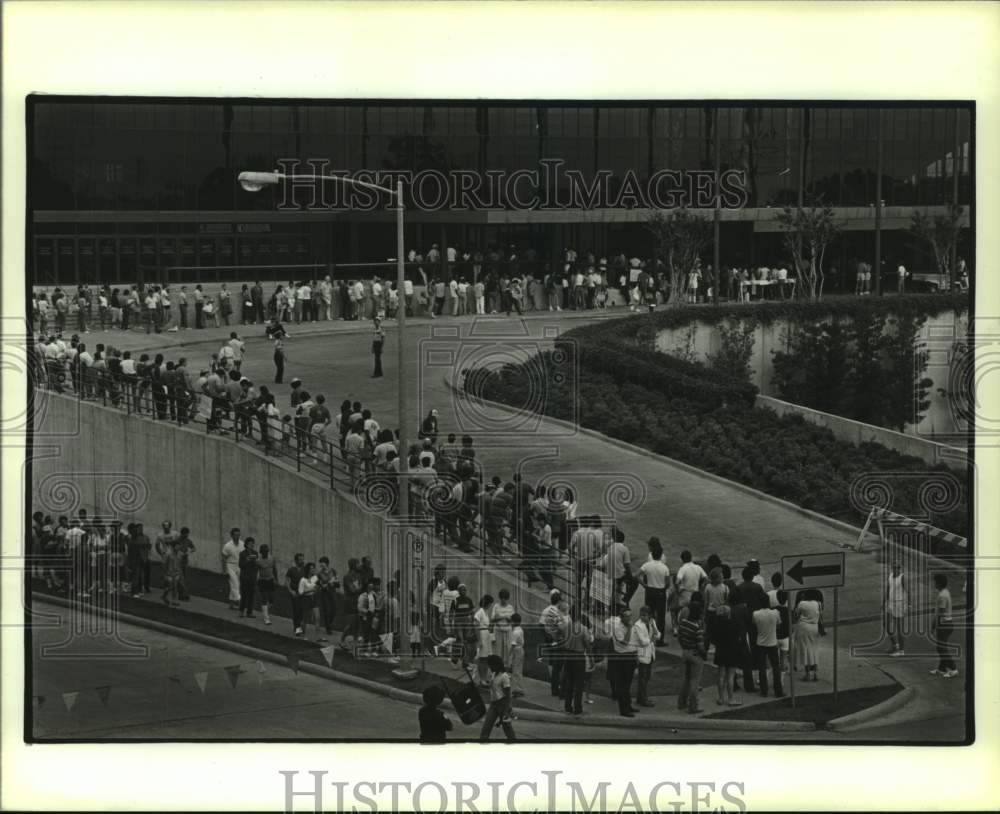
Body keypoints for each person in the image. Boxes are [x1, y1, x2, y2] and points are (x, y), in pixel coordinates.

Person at [560, 605, 591, 716]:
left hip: (568, 655)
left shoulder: (566, 627)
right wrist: (590, 658)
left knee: (569, 681)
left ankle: (568, 706)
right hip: (578, 656)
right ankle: (578, 707)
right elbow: (587, 644)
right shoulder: (583, 629)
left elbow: (562, 640)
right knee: (578, 683)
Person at [677, 597, 707, 714]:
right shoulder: (697, 627)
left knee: (686, 679)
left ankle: (681, 702)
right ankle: (693, 706)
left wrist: (685, 647)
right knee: (695, 681)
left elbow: (679, 637)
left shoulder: (683, 623)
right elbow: (700, 645)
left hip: (685, 652)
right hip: (695, 654)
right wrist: (703, 654)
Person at [610, 605, 640, 717]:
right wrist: (630, 629)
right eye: (627, 616)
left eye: (630, 615)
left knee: (628, 683)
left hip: (631, 657)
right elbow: (625, 642)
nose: (629, 618)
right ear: (621, 617)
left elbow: (634, 642)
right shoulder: (618, 628)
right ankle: (624, 709)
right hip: (622, 658)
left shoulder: (631, 626)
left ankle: (628, 705)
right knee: (622, 685)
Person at [479, 654, 516, 742]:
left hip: (502, 705)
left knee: (508, 729)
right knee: (486, 728)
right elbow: (493, 686)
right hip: (493, 704)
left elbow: (508, 694)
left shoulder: (504, 676)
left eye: (491, 665)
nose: (489, 667)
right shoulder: (494, 674)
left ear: (496, 665)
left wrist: (507, 710)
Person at [639, 540, 670, 646]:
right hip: (660, 592)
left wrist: (644, 584)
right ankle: (660, 640)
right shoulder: (664, 567)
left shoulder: (647, 565)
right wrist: (663, 588)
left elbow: (636, 575)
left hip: (650, 591)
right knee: (661, 617)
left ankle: (647, 636)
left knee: (649, 614)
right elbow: (668, 584)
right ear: (661, 555)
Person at [752, 596, 784, 697]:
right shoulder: (775, 613)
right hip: (772, 642)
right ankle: (778, 690)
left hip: (760, 643)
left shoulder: (756, 614)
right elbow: (779, 625)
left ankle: (764, 690)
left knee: (762, 668)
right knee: (776, 667)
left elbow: (754, 624)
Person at [713, 604, 744, 706]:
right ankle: (731, 699)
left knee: (720, 675)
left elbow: (714, 638)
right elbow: (739, 637)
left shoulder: (717, 624)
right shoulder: (734, 624)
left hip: (720, 650)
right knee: (730, 676)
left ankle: (720, 698)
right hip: (732, 651)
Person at [930, 573, 958, 678]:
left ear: (939, 583)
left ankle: (953, 669)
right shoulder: (945, 592)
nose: (934, 583)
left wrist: (933, 626)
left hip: (944, 624)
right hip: (948, 623)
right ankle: (941, 669)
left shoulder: (942, 596)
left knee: (941, 648)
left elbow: (940, 614)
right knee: (941, 647)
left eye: (935, 582)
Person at [793, 589, 823, 681]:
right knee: (814, 649)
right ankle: (815, 674)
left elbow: (795, 615)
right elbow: (821, 615)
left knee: (805, 650)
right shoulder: (818, 603)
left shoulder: (801, 604)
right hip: (815, 627)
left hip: (804, 627)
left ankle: (807, 674)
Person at [539, 590, 565, 697]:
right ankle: (557, 687)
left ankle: (555, 687)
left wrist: (547, 636)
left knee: (553, 663)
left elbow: (541, 625)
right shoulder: (557, 612)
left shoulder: (546, 610)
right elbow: (561, 627)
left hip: (550, 639)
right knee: (558, 665)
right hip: (557, 640)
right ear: (559, 601)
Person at [634, 606, 659, 708]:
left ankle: (640, 697)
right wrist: (652, 639)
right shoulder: (637, 625)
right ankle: (643, 699)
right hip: (642, 654)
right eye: (641, 615)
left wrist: (654, 635)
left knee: (647, 676)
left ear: (649, 615)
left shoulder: (652, 622)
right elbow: (642, 641)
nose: (642, 617)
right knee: (643, 678)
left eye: (644, 615)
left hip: (650, 653)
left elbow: (658, 634)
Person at [884, 559, 908, 656]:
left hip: (899, 605)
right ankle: (895, 645)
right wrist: (884, 602)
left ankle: (901, 650)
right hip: (890, 604)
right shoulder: (890, 576)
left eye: (898, 567)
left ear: (900, 568)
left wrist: (908, 605)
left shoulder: (902, 578)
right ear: (892, 568)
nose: (896, 569)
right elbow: (888, 589)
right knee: (885, 623)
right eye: (895, 567)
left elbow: (908, 592)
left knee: (899, 628)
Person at [220, 528, 243, 611]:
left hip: (239, 566)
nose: (237, 536)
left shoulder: (242, 544)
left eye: (239, 534)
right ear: (232, 535)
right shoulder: (227, 546)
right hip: (230, 566)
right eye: (236, 535)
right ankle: (241, 604)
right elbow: (223, 558)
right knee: (235, 584)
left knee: (237, 585)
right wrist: (225, 570)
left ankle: (231, 604)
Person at [474, 594, 494, 686]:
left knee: (486, 658)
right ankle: (481, 679)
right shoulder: (480, 612)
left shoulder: (486, 612)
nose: (491, 605)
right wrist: (479, 640)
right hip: (482, 635)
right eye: (490, 603)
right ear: (487, 603)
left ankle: (485, 678)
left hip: (486, 635)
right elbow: (476, 626)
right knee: (482, 659)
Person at [238, 537, 260, 618]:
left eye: (253, 544)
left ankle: (249, 612)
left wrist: (256, 562)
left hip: (252, 577)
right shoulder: (242, 553)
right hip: (245, 577)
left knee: (251, 595)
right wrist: (247, 560)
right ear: (246, 545)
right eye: (250, 544)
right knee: (244, 594)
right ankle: (241, 611)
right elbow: (240, 565)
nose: (252, 545)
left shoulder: (255, 553)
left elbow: (257, 565)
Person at [256, 544, 277, 625]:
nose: (265, 553)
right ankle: (266, 618)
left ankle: (266, 611)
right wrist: (256, 580)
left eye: (266, 552)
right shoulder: (258, 560)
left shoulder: (272, 558)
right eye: (263, 552)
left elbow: (275, 569)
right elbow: (256, 571)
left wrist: (276, 579)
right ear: (261, 552)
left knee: (271, 599)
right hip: (262, 581)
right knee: (264, 598)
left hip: (270, 580)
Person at [286, 552, 306, 637]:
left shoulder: (305, 569)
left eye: (302, 559)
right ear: (296, 560)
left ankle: (301, 626)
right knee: (296, 610)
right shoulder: (291, 570)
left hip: (303, 593)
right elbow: (287, 580)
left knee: (302, 611)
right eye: (300, 560)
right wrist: (290, 591)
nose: (302, 561)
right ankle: (297, 628)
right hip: (295, 592)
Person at [298, 562, 320, 641]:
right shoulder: (303, 580)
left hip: (314, 598)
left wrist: (316, 589)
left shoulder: (315, 578)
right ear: (308, 570)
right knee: (305, 619)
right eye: (312, 568)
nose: (313, 569)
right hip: (306, 599)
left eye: (314, 568)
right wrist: (310, 590)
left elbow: (318, 587)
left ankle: (317, 636)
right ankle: (303, 634)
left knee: (317, 617)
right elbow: (300, 592)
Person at [508, 612, 525, 697]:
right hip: (521, 649)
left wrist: (509, 654)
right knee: (519, 670)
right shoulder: (520, 629)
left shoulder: (515, 632)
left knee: (515, 671)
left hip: (516, 651)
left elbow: (513, 644)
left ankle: (517, 689)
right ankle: (519, 688)